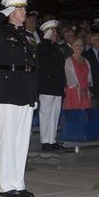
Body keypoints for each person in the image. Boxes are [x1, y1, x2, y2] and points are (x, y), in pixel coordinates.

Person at [0, 0, 38, 197]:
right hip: (9, 87)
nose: (24, 12)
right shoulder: (0, 31)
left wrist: (34, 93)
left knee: (22, 140)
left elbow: (32, 65)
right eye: (20, 9)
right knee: (9, 138)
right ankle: (6, 185)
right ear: (11, 12)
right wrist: (0, 15)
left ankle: (18, 182)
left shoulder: (29, 35)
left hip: (26, 88)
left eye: (24, 8)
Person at [36, 20, 66, 151]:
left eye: (55, 31)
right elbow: (41, 58)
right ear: (46, 33)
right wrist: (45, 41)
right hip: (46, 85)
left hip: (57, 85)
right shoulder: (42, 46)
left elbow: (60, 68)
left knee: (55, 113)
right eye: (52, 31)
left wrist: (63, 83)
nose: (55, 33)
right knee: (46, 113)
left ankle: (52, 140)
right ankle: (45, 141)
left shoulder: (56, 47)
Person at [63, 39, 93, 110]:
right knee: (75, 114)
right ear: (72, 47)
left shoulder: (86, 61)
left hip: (85, 91)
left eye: (81, 45)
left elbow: (89, 78)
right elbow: (70, 78)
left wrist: (86, 90)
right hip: (74, 91)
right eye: (77, 45)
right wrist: (80, 90)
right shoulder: (68, 61)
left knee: (86, 114)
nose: (79, 47)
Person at [83, 33, 99, 108]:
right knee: (93, 111)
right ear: (91, 42)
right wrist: (89, 89)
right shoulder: (86, 54)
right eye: (98, 40)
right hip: (93, 89)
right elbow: (85, 74)